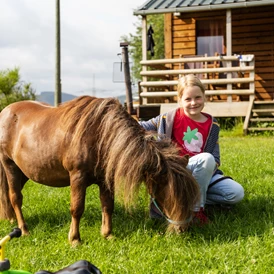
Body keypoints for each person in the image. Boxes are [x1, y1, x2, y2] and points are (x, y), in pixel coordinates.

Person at [139, 74, 244, 224]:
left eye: (198, 97)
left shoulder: (212, 125)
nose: (193, 103)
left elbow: (216, 159)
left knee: (235, 193)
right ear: (180, 100)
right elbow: (140, 127)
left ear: (204, 97)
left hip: (202, 172)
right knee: (206, 158)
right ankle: (196, 210)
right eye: (188, 99)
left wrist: (205, 171)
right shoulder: (167, 119)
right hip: (175, 171)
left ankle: (185, 199)